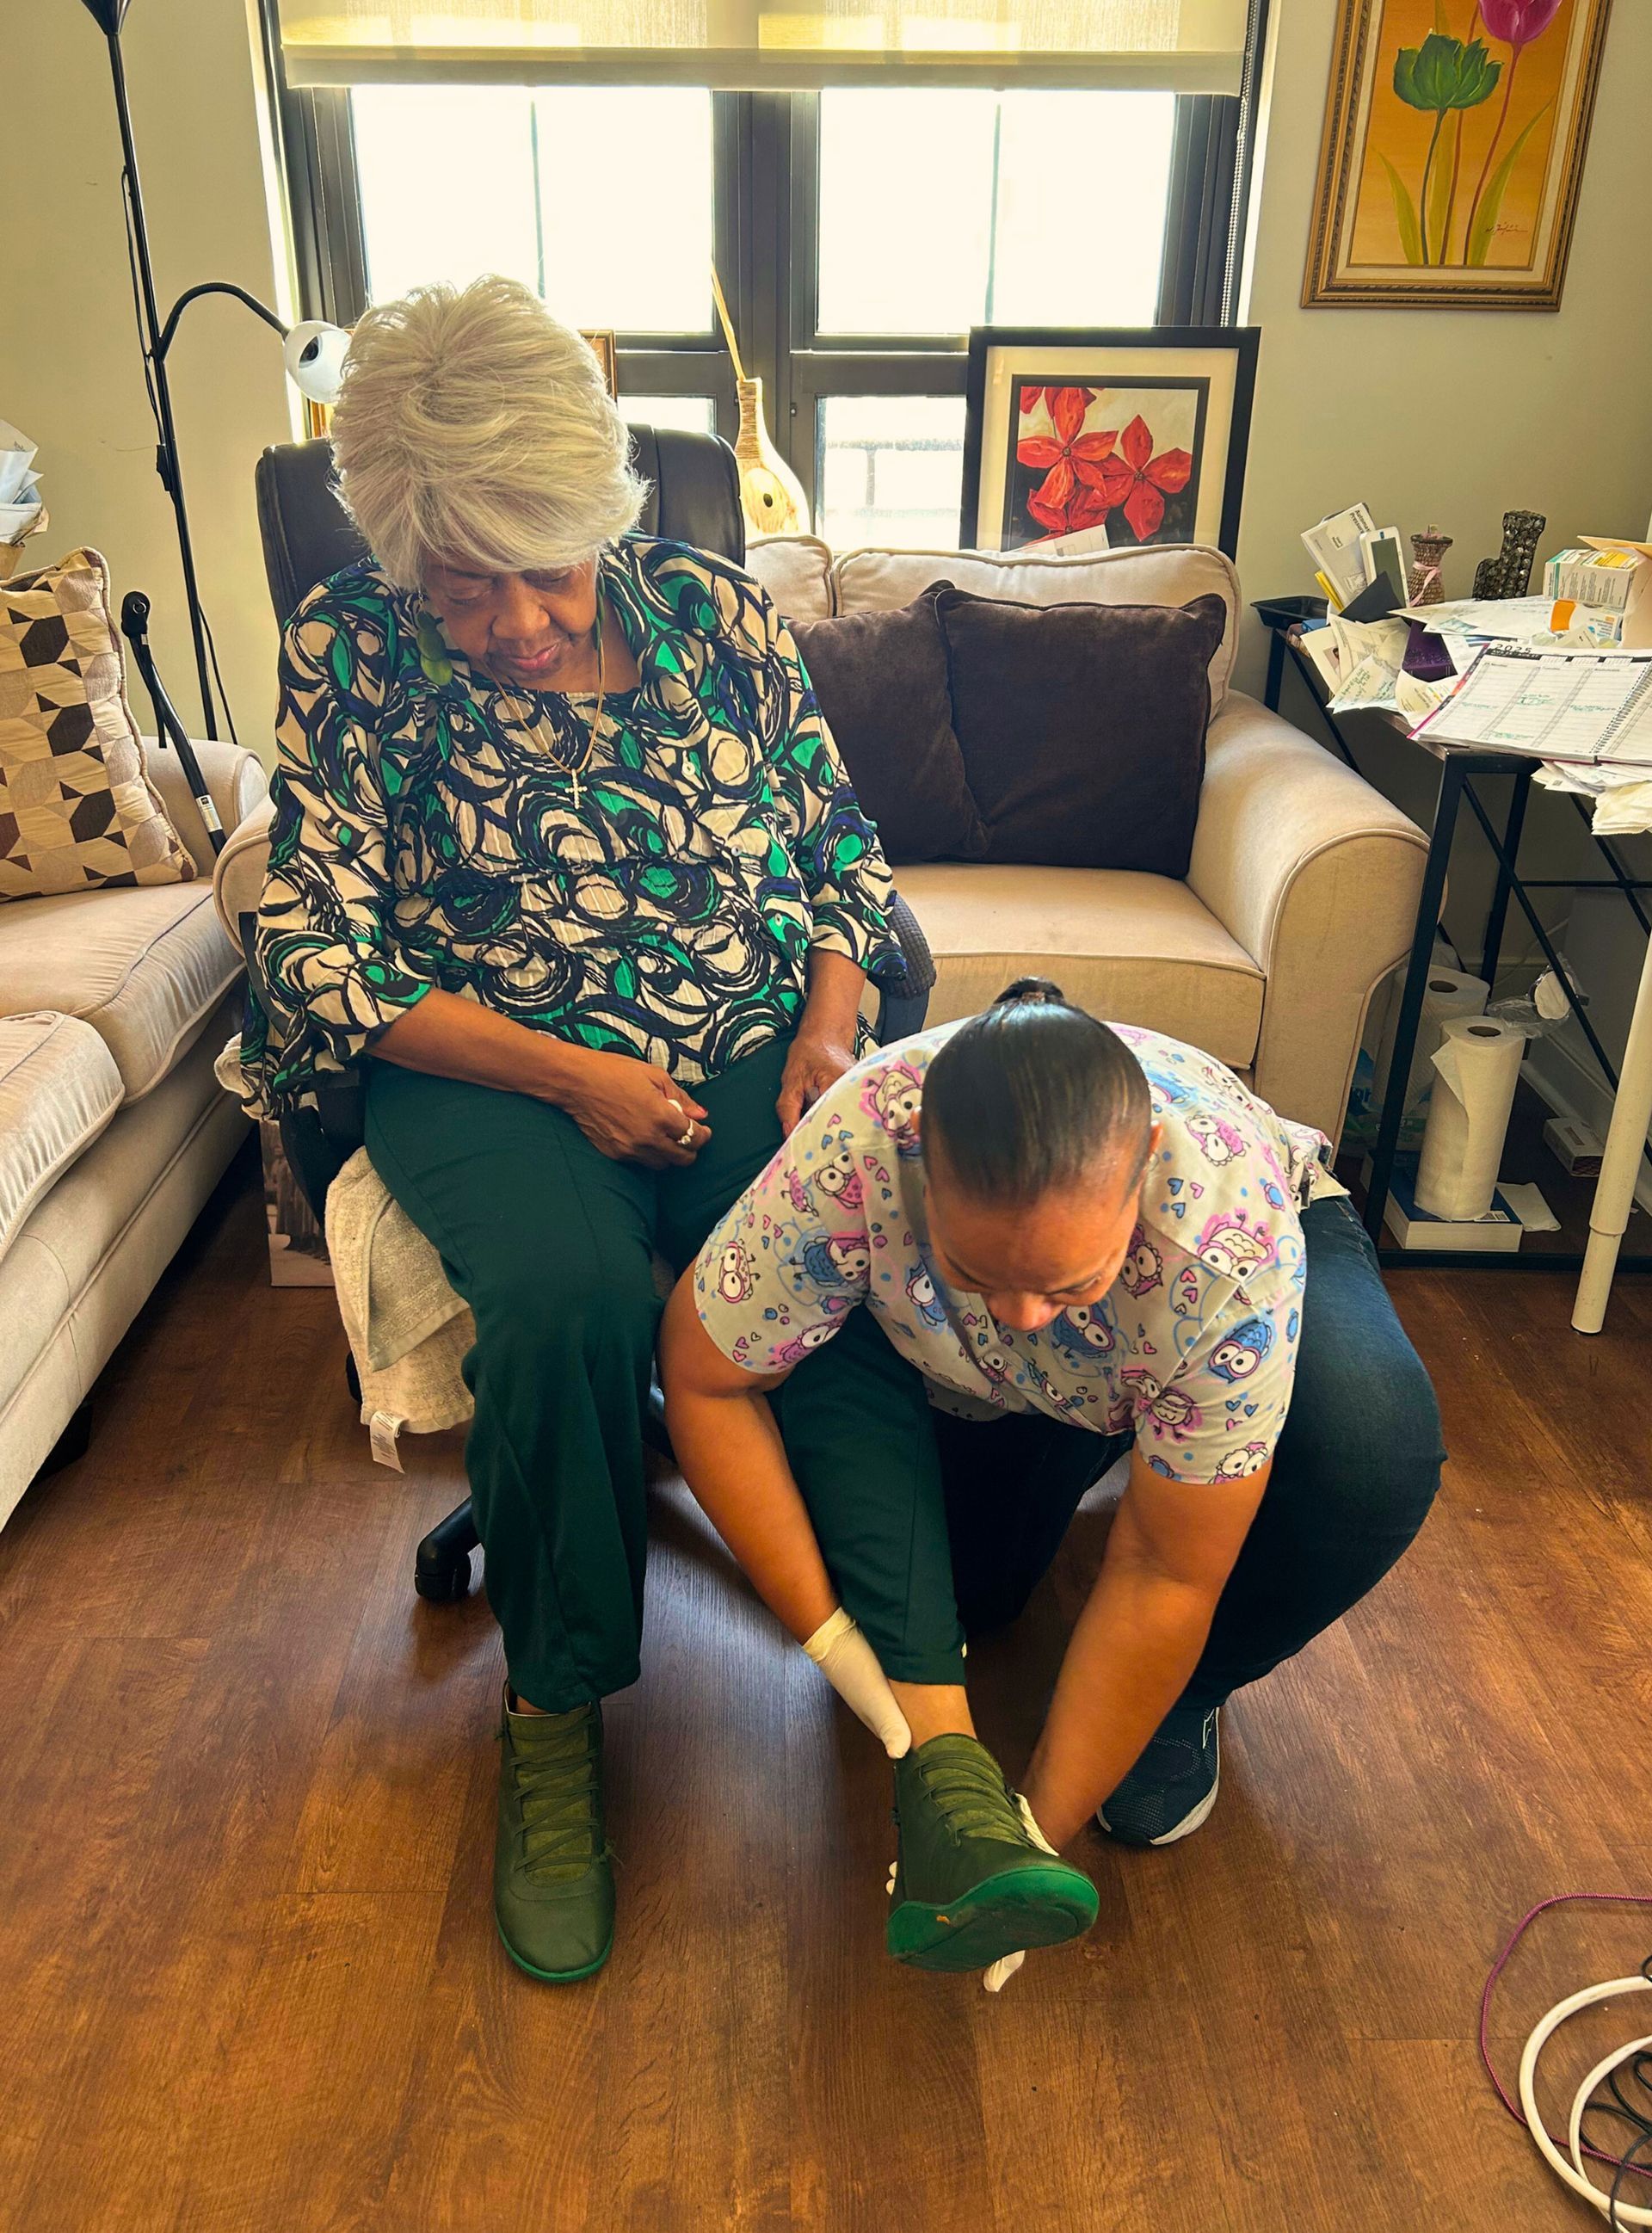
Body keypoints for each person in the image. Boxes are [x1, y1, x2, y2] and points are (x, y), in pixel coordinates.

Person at [240, 276, 899, 1983]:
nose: (519, 624)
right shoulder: (351, 649)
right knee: (568, 1302)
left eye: (545, 570)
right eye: (467, 593)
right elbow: (318, 937)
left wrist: (824, 1033)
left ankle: (918, 1681)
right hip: (481, 1056)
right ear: (404, 563)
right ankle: (552, 1716)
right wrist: (569, 1073)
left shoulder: (717, 615)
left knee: (817, 1267)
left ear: (601, 517)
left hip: (745, 1034)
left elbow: (842, 856)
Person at [660, 982, 1444, 1983]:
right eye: (980, 1272)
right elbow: (703, 1374)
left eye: (1068, 1285)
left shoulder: (1222, 1245)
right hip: (1010, 1372)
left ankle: (1184, 1692)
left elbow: (1167, 1571)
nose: (1028, 1315)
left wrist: (1039, 1833)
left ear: (1145, 1180)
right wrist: (828, 1635)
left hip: (1195, 1295)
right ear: (917, 1169)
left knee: (1372, 1450)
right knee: (980, 1599)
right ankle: (1116, 1406)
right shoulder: (856, 1144)